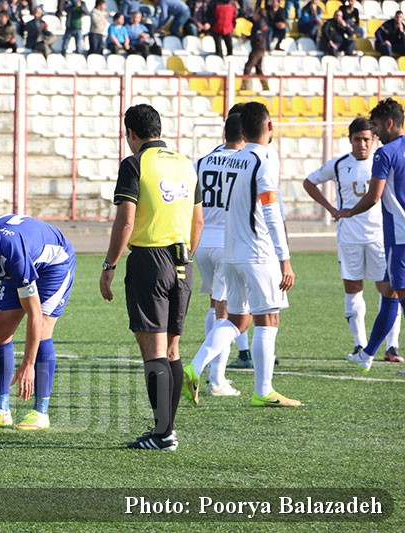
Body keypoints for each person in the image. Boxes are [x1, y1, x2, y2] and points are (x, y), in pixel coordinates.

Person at [182, 102, 300, 408]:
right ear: (269, 127)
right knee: (268, 319)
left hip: (231, 251)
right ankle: (264, 390)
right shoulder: (264, 159)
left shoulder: (235, 160)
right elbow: (271, 210)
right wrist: (284, 257)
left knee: (236, 319)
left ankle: (196, 364)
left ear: (241, 131)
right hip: (257, 251)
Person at [100, 104, 203, 451]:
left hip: (150, 260)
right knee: (172, 351)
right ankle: (167, 431)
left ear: (130, 133)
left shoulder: (134, 164)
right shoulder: (187, 163)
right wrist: (187, 255)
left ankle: (162, 434)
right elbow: (198, 221)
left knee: (154, 351)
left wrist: (109, 265)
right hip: (182, 261)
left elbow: (125, 221)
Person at [0, 214, 76, 431]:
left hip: (53, 265)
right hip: (18, 266)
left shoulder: (14, 255)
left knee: (44, 329)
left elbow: (34, 313)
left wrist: (28, 365)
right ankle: (1, 411)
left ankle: (41, 412)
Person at [303, 117, 403, 363]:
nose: (362, 144)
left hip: (379, 236)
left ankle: (392, 347)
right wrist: (330, 208)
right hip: (349, 237)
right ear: (350, 140)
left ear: (374, 139)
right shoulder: (339, 165)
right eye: (357, 139)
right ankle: (360, 344)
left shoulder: (384, 160)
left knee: (388, 291)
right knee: (353, 289)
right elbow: (309, 182)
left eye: (366, 139)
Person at [338, 98, 405, 372]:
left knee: (399, 293)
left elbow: (374, 196)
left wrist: (350, 212)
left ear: (389, 123)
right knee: (389, 293)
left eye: (376, 126)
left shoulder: (385, 152)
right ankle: (366, 355)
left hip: (399, 236)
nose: (375, 133)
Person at [191, 112, 246, 398]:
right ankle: (216, 379)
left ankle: (215, 375)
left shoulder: (201, 161)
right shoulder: (246, 162)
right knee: (228, 311)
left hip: (202, 238)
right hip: (229, 241)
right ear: (245, 135)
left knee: (215, 304)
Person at [240, 8, 269, 92]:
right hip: (261, 48)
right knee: (258, 69)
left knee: (248, 66)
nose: (253, 15)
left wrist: (247, 37)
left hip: (258, 49)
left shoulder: (259, 24)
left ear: (258, 15)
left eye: (255, 13)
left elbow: (258, 37)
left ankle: (244, 86)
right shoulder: (261, 22)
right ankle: (265, 87)